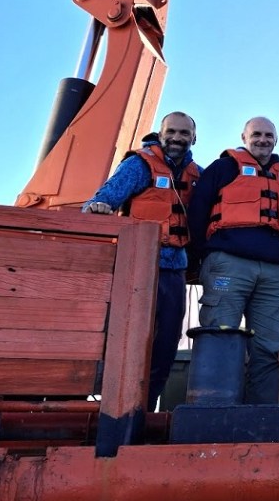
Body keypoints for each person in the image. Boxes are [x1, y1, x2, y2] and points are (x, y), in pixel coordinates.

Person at [83, 111, 201, 409]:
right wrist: (97, 208)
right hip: (139, 268)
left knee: (166, 345)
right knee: (129, 340)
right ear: (161, 134)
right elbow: (102, 199)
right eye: (171, 131)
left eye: (184, 133)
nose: (177, 138)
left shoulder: (198, 174)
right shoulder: (139, 165)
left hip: (175, 271)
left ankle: (145, 409)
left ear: (194, 138)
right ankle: (113, 409)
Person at [187, 116, 279, 404]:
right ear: (244, 137)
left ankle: (261, 417)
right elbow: (197, 212)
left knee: (268, 346)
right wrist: (202, 256)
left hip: (273, 272)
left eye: (268, 135)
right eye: (256, 134)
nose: (263, 140)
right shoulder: (223, 167)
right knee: (220, 337)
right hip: (228, 263)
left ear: (276, 140)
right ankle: (212, 412)